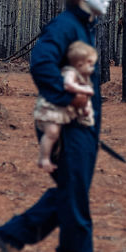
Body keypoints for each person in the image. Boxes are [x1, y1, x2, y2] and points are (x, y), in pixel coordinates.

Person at [0, 0, 117, 252]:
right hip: (65, 128)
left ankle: (12, 235)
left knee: (70, 192)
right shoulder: (65, 26)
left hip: (81, 127)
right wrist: (66, 98)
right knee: (75, 195)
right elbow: (41, 62)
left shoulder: (85, 26)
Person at [34, 40, 97, 173]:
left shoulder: (84, 77)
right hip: (52, 109)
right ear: (79, 64)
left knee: (68, 135)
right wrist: (85, 90)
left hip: (65, 110)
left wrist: (86, 108)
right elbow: (68, 85)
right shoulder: (70, 72)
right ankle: (44, 158)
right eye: (90, 64)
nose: (92, 67)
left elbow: (84, 99)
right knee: (52, 132)